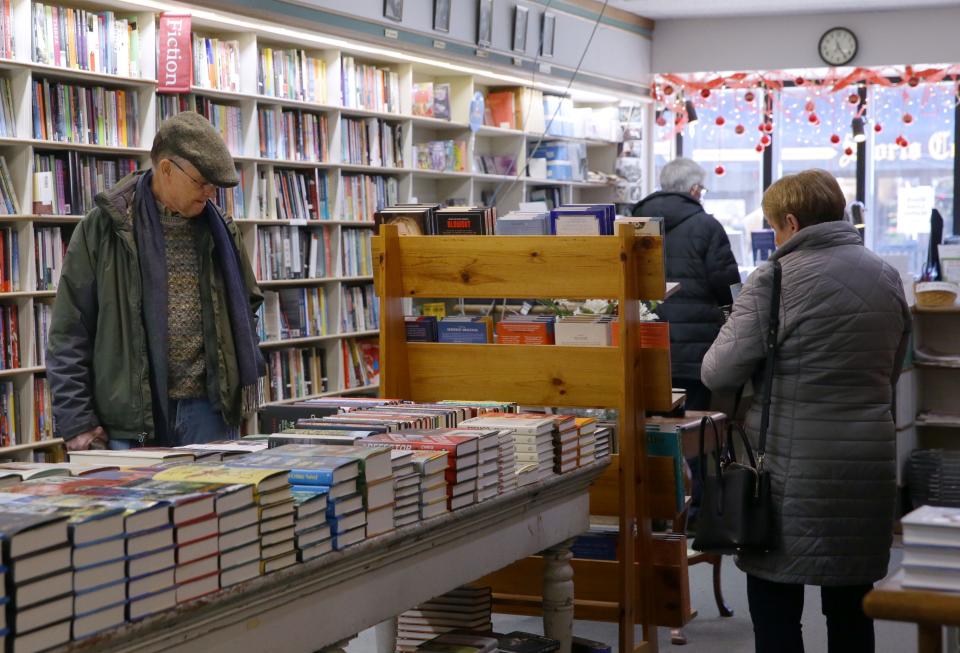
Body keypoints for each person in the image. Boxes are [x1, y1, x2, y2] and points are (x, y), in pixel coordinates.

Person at [701, 169, 910, 653]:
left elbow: (718, 372)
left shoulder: (773, 278)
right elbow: (893, 366)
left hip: (791, 470)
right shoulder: (886, 274)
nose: (774, 237)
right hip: (868, 463)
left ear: (791, 222)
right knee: (853, 606)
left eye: (774, 227)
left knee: (775, 605)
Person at [47, 111, 265, 451]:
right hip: (128, 422)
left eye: (214, 185)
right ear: (166, 169)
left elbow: (247, 305)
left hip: (209, 413)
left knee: (213, 505)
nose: (210, 193)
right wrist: (77, 420)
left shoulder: (221, 230)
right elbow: (69, 331)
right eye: (201, 182)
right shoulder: (104, 229)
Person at [632, 157, 740, 410]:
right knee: (694, 429)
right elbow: (727, 285)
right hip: (695, 348)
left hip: (645, 342)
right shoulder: (707, 226)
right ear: (694, 189)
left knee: (650, 428)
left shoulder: (634, 222)